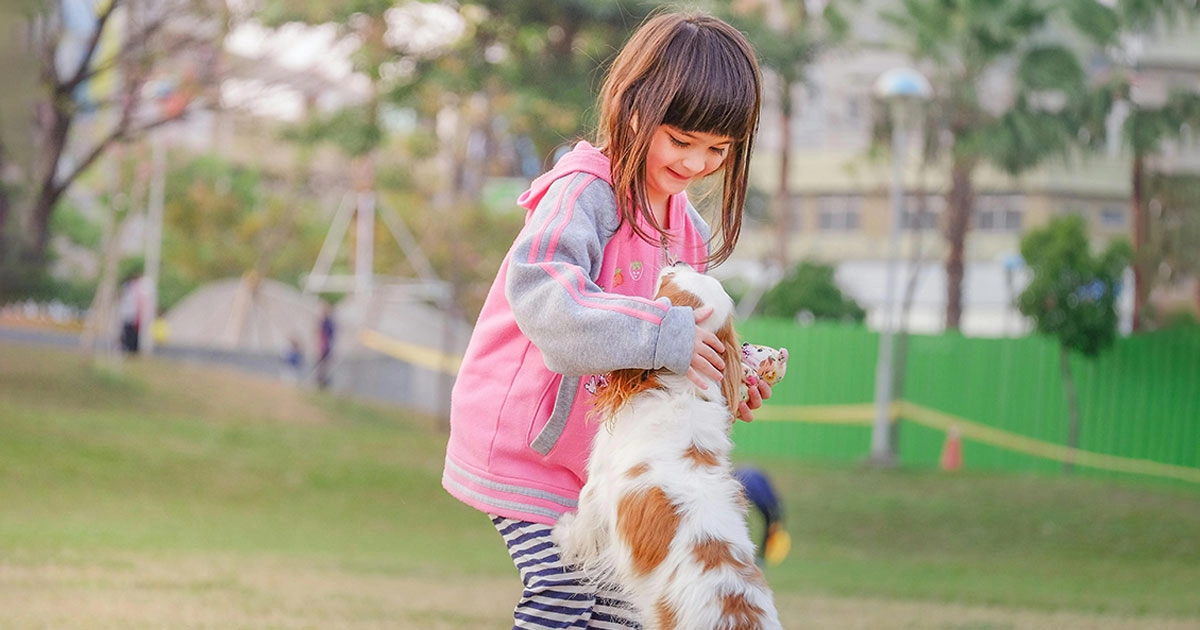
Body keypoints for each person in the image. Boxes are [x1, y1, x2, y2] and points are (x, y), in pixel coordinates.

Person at [441, 11, 769, 629]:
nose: (697, 164)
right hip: (529, 447)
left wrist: (725, 371)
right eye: (683, 140)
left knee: (626, 611)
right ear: (634, 107)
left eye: (718, 150)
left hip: (611, 461)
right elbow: (547, 300)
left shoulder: (687, 232)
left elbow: (677, 347)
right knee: (562, 595)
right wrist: (667, 336)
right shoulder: (584, 194)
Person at [734, 466, 788, 566]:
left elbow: (772, 512)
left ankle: (761, 557)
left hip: (756, 485)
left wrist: (778, 522)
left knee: (770, 523)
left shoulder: (761, 497)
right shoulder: (733, 488)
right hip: (743, 480)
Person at [118, 270, 145, 355]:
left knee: (133, 334)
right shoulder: (128, 288)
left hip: (134, 316)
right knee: (129, 333)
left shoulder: (137, 289)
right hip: (129, 315)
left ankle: (132, 349)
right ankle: (129, 349)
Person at [315, 305, 335, 389]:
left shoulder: (328, 323)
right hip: (324, 348)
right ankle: (320, 382)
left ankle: (323, 383)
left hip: (326, 348)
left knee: (325, 366)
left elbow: (330, 335)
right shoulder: (324, 323)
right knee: (321, 366)